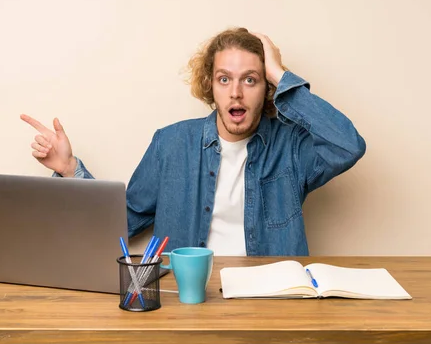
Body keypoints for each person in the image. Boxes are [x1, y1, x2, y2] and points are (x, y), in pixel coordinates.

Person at [21, 28, 366, 256]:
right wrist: (69, 169)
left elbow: (348, 146)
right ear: (210, 85)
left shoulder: (289, 146)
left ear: (267, 89)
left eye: (251, 79)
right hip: (188, 299)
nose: (235, 92)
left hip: (269, 299)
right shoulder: (170, 144)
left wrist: (278, 73)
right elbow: (119, 224)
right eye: (224, 78)